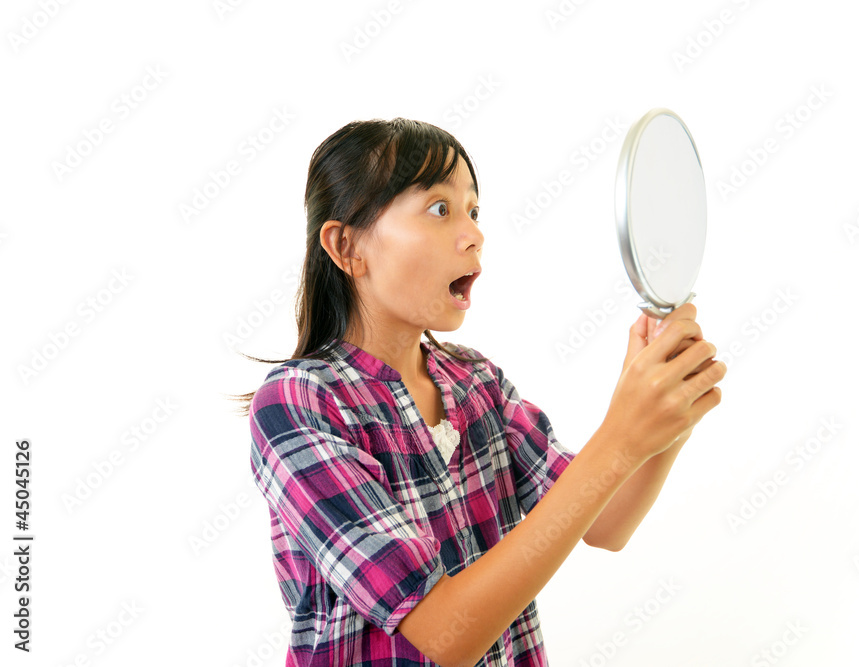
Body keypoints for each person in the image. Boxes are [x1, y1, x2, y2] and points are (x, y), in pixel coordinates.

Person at [232, 117, 726, 666]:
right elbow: (445, 636)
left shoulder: (476, 381)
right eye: (439, 209)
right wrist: (621, 436)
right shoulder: (298, 404)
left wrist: (668, 417)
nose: (474, 234)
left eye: (473, 210)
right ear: (347, 246)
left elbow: (607, 522)